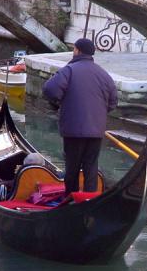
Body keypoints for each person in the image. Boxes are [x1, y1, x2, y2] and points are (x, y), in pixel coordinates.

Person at [42, 38, 118, 196]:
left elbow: (49, 89)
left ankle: (71, 198)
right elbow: (112, 102)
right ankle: (89, 199)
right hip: (96, 130)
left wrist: (59, 102)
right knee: (91, 166)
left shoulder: (69, 70)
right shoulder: (103, 74)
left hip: (73, 130)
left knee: (72, 167)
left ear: (77, 50)